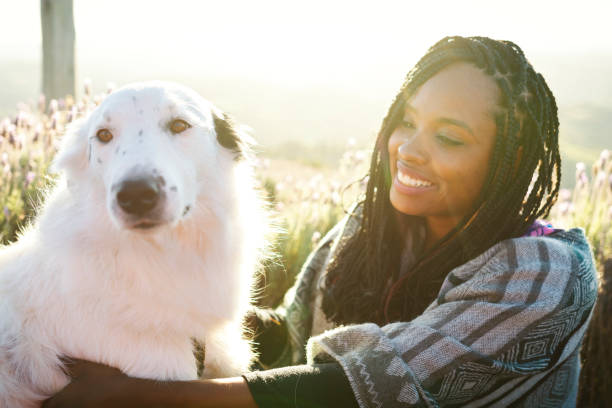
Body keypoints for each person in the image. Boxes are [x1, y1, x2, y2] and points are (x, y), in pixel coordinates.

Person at [44, 36, 597, 407]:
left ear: (511, 157)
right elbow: (289, 334)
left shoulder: (546, 274)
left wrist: (138, 395)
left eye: (449, 138)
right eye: (405, 121)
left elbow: (373, 388)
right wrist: (148, 312)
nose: (408, 150)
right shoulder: (367, 233)